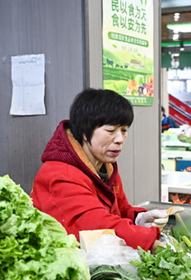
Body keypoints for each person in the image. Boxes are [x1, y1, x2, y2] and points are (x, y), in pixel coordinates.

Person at [31, 89, 167, 251]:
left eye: (124, 130)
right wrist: (149, 242)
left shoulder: (104, 166)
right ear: (84, 131)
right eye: (110, 131)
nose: (120, 139)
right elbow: (95, 224)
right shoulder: (60, 173)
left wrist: (139, 217)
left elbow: (120, 210)